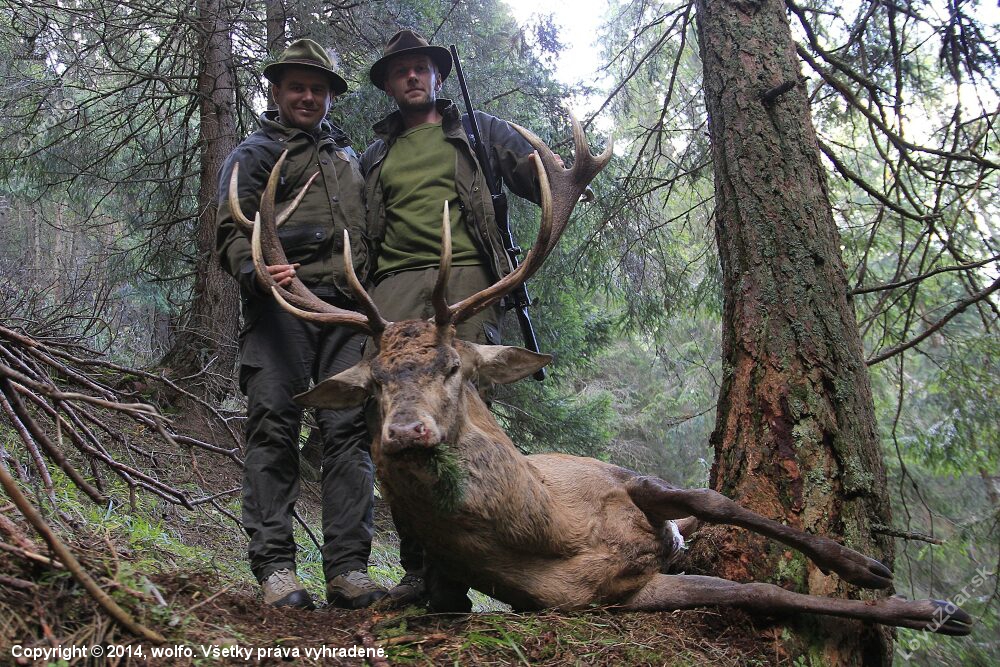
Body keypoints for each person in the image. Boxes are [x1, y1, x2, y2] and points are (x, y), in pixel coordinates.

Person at [361, 29, 547, 607]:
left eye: (421, 68)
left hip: (466, 283)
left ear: (436, 76)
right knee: (397, 418)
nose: (412, 76)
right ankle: (419, 569)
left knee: (461, 415)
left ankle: (459, 570)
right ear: (390, 85)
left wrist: (556, 178)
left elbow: (536, 173)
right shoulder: (374, 156)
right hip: (392, 285)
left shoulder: (479, 132)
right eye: (401, 71)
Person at [215, 39, 387, 610]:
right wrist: (256, 271)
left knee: (348, 433)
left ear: (330, 96)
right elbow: (230, 231)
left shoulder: (348, 159)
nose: (307, 97)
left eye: (317, 89)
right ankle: (276, 570)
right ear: (277, 91)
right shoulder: (254, 154)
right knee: (274, 427)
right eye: (297, 87)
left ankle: (348, 570)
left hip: (345, 316)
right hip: (282, 309)